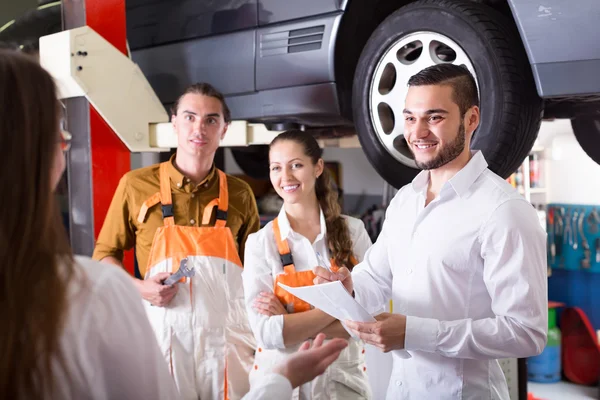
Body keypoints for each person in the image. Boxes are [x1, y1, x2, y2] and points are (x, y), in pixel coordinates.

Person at [314, 64, 548, 399]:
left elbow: (527, 332)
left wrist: (415, 332)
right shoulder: (406, 199)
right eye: (410, 117)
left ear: (471, 119)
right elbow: (377, 278)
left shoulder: (504, 211)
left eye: (434, 117)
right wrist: (349, 288)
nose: (417, 132)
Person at [0, 48, 181, 400]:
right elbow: (106, 252)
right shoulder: (92, 294)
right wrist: (276, 384)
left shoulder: (237, 193)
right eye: (60, 137)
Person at [92, 83, 260, 399]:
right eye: (190, 117)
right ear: (174, 124)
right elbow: (104, 254)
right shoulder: (135, 185)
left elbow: (255, 272)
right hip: (161, 338)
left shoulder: (240, 194)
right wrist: (140, 288)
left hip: (226, 344)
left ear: (224, 130)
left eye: (211, 120)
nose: (200, 128)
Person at [242, 130, 374, 399]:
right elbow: (267, 333)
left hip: (342, 385)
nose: (285, 177)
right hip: (283, 387)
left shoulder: (354, 231)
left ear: (318, 167)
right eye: (276, 168)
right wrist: (341, 308)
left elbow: (370, 320)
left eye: (296, 165)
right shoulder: (260, 244)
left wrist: (290, 323)